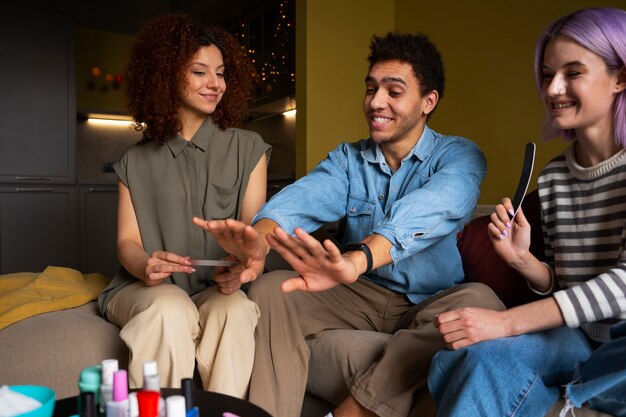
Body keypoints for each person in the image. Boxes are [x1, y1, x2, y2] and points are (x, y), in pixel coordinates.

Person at [194, 32, 505, 417]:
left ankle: (355, 409)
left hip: (430, 299)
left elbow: (430, 209)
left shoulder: (460, 156)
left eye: (393, 91)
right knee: (272, 289)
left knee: (482, 299)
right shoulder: (348, 160)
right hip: (360, 295)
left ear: (428, 101)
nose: (376, 102)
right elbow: (300, 200)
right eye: (371, 89)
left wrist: (357, 259)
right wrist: (258, 240)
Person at [428, 7, 626, 417]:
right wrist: (524, 260)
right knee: (469, 360)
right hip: (580, 337)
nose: (553, 89)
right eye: (547, 74)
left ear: (620, 77)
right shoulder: (554, 177)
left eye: (573, 73)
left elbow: (623, 285)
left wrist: (505, 322)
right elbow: (564, 286)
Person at [97, 13, 271, 399]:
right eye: (200, 72)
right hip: (149, 288)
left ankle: (225, 411)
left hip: (215, 287)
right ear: (166, 75)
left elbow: (254, 230)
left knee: (236, 310)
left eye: (221, 73)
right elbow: (128, 242)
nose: (215, 84)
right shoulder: (134, 161)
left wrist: (242, 263)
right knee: (169, 308)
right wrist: (145, 265)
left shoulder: (250, 148)